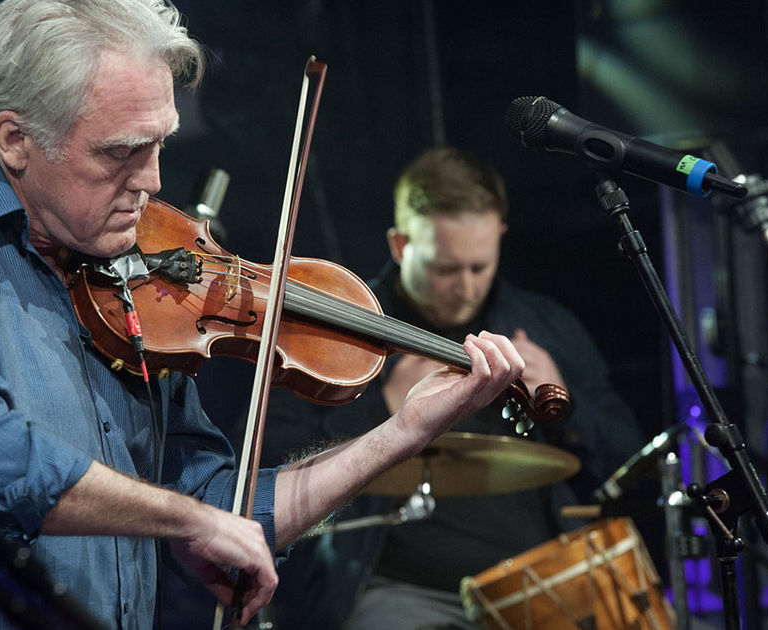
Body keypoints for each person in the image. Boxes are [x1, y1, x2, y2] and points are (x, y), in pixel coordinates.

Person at [0, 3, 527, 628]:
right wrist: (191, 520)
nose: (150, 182)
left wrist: (403, 431)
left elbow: (229, 511)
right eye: (119, 152)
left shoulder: (129, 280)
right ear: (13, 140)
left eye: (158, 146)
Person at [254, 146, 647, 629]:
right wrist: (381, 408)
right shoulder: (340, 332)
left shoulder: (546, 327)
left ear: (500, 234)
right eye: (445, 269)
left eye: (479, 267)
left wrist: (563, 401)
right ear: (400, 245)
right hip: (397, 592)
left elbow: (629, 461)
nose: (464, 287)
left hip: (541, 580)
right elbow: (263, 475)